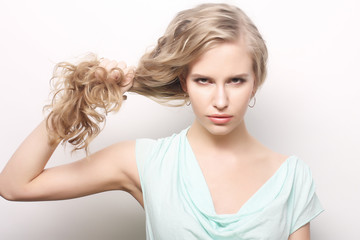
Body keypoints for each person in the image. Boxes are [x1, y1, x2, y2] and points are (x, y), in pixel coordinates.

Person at [0, 3, 323, 240]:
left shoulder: (291, 178)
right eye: (204, 80)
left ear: (256, 80)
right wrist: (77, 101)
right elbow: (15, 186)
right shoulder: (147, 162)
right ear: (184, 82)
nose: (221, 100)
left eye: (236, 80)